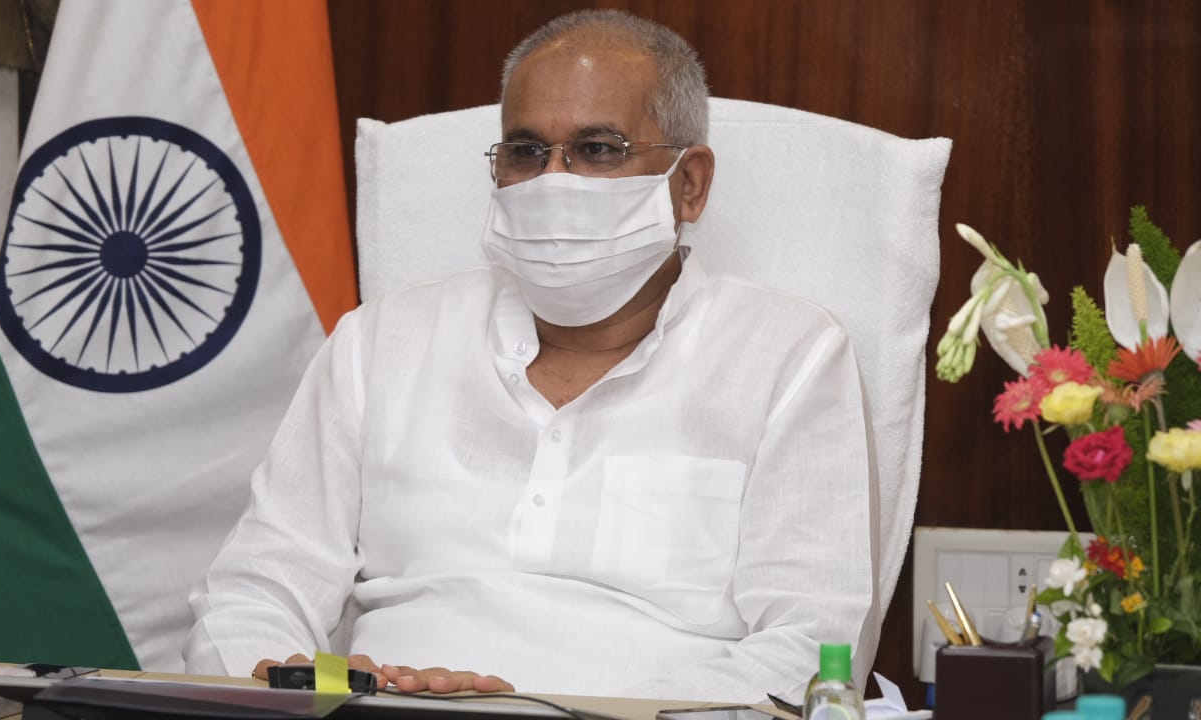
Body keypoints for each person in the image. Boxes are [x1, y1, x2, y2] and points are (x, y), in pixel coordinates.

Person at [184, 9, 877, 704]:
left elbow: (814, 645)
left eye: (597, 149)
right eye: (525, 151)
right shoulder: (381, 341)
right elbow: (253, 593)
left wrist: (558, 713)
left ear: (689, 183)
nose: (553, 181)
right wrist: (308, 688)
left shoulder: (787, 355)